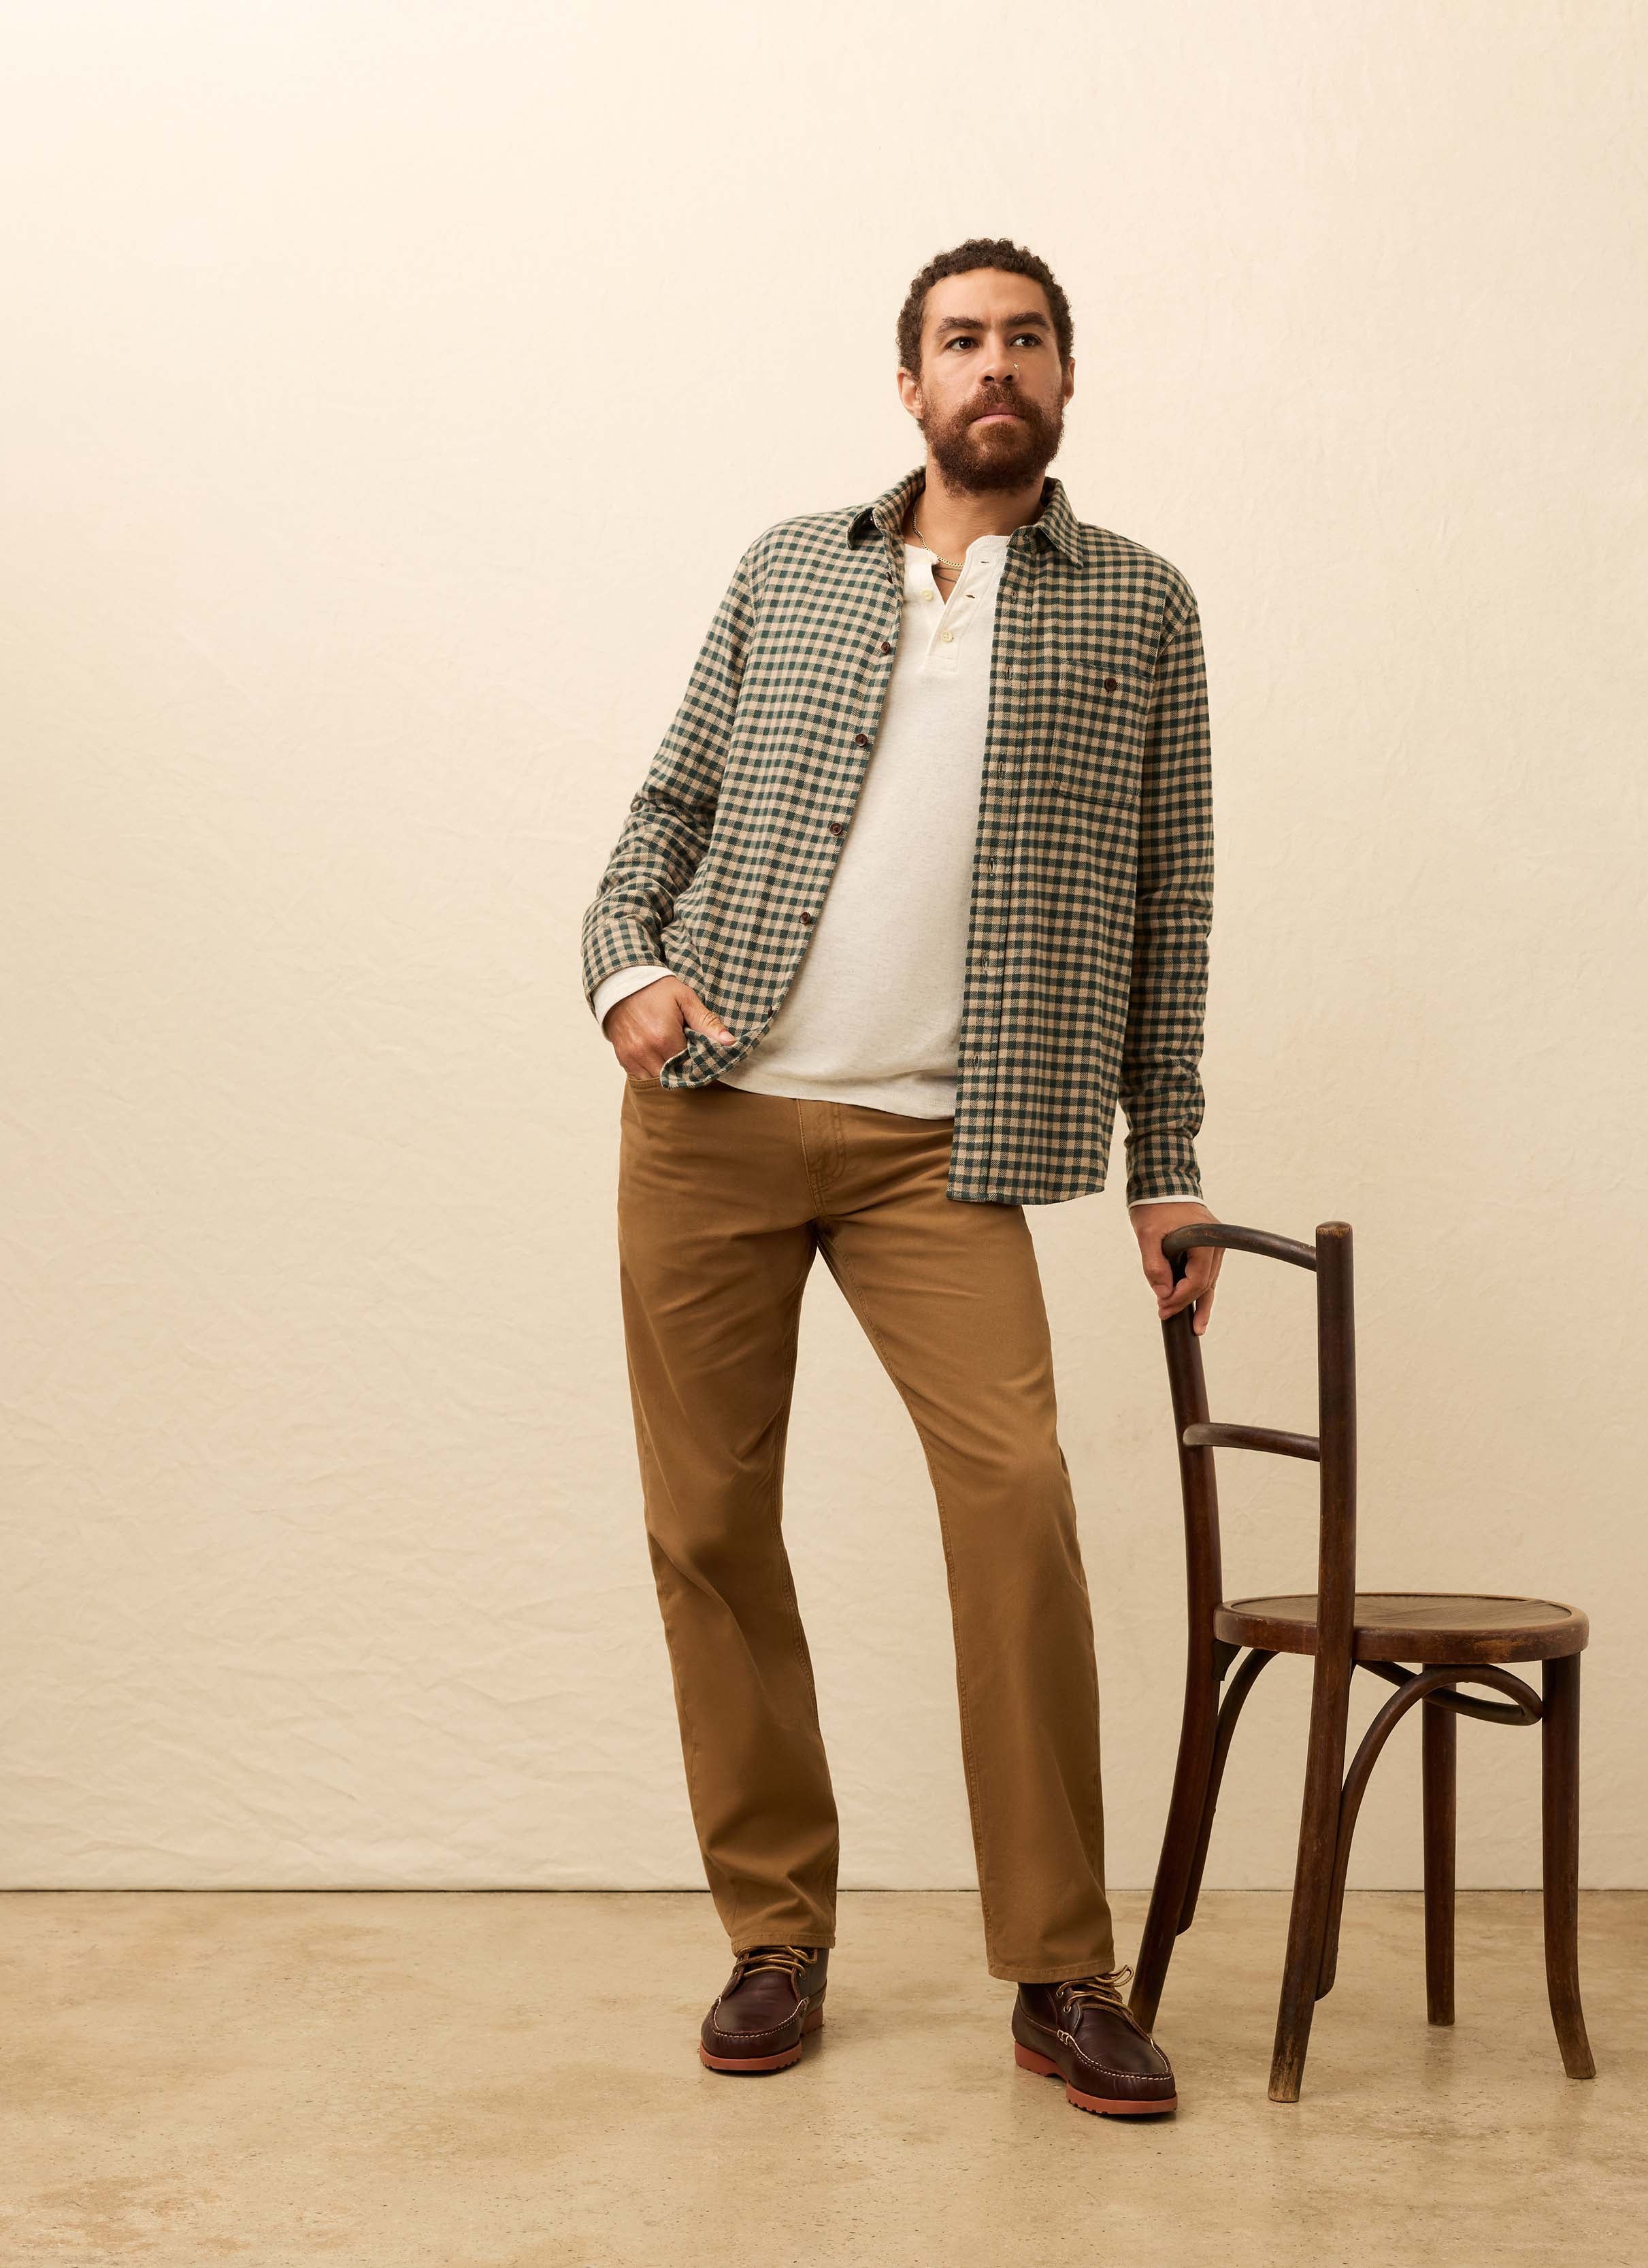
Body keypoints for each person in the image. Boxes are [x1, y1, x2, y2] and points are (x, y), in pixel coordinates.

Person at [581, 235, 1223, 2120]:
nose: (992, 367)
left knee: (1014, 1506)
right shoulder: (790, 568)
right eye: (960, 341)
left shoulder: (1139, 608)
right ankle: (774, 1935)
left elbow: (1168, 901)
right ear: (908, 383)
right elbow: (664, 807)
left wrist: (1161, 1166)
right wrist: (627, 971)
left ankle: (1057, 1971)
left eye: (1024, 339)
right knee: (707, 1525)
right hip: (711, 1108)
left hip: (951, 1145)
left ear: (1066, 379)